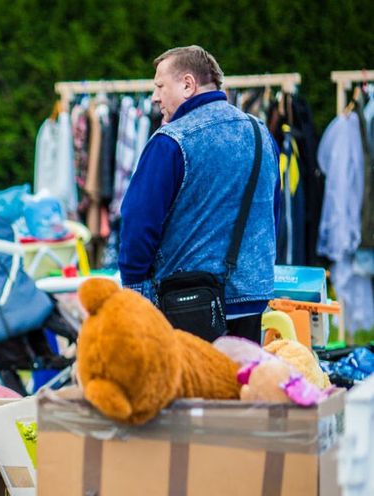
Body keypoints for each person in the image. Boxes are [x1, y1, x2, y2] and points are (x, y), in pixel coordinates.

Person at [119, 45, 282, 342]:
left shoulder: (170, 141)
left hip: (185, 305)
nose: (155, 97)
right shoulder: (261, 133)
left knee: (191, 389)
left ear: (187, 85)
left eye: (159, 86)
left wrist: (134, 293)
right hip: (251, 298)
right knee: (240, 386)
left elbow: (137, 223)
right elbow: (272, 214)